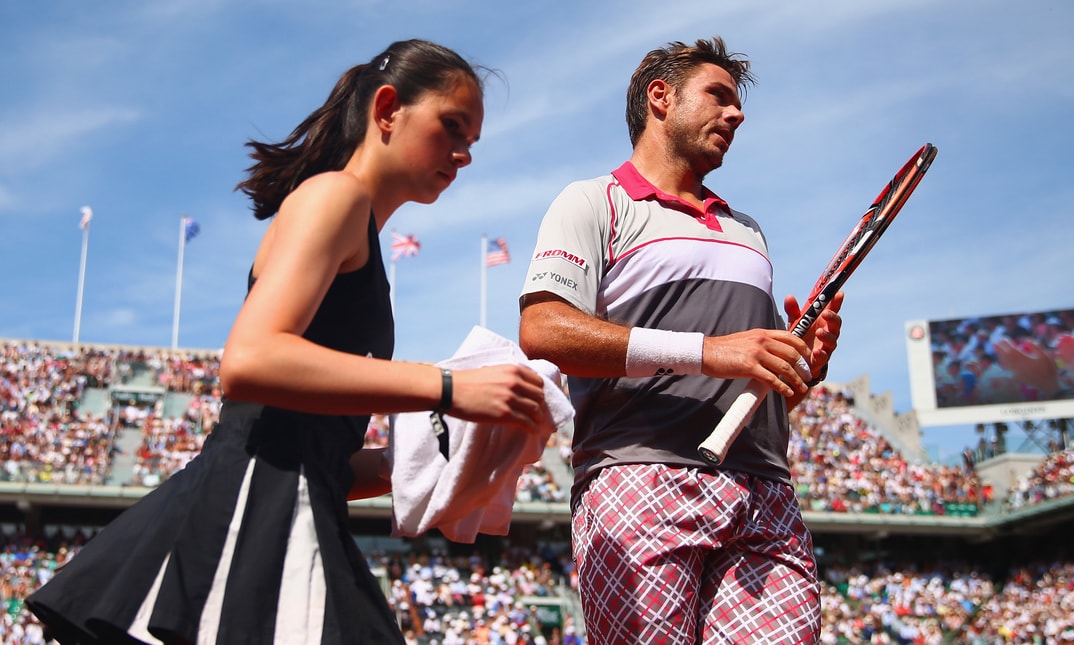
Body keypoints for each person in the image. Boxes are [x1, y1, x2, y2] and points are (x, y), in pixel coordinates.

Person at [26, 39, 547, 644]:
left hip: (279, 507)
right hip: (253, 519)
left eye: (472, 142)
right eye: (452, 127)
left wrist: (433, 460)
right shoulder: (336, 196)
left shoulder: (354, 223)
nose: (463, 155)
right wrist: (447, 388)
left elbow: (310, 453)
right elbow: (250, 360)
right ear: (387, 109)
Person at [518, 37, 843, 643]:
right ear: (660, 98)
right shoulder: (593, 202)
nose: (737, 114)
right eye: (718, 96)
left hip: (765, 490)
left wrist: (801, 369)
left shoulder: (750, 233)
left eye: (738, 103)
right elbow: (543, 329)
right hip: (637, 478)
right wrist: (709, 350)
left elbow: (755, 388)